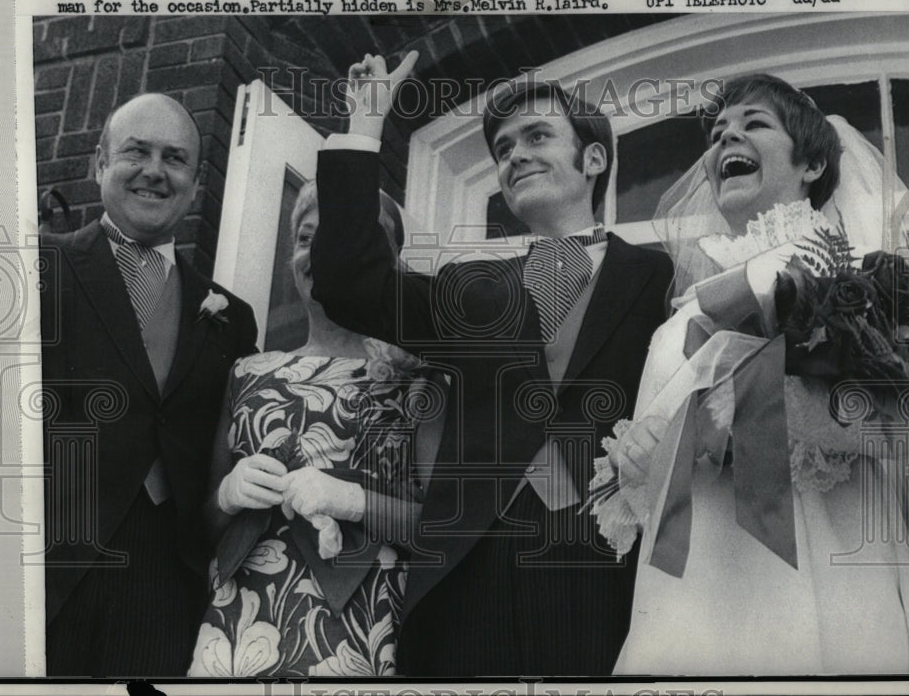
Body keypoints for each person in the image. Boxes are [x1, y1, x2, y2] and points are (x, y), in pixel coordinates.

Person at [309, 52, 673, 675]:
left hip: (605, 565)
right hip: (465, 565)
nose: (515, 156)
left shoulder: (659, 275)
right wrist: (364, 129)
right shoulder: (467, 286)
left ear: (593, 160)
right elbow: (347, 281)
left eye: (537, 137)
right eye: (503, 149)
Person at [597, 74, 909, 674]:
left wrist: (751, 409)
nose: (727, 138)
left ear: (812, 163)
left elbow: (898, 427)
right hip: (696, 591)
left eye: (753, 124)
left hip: (823, 566)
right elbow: (650, 490)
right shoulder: (679, 320)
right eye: (719, 131)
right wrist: (639, 456)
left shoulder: (852, 276)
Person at [39, 93, 258, 676]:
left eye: (174, 158)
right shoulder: (39, 266)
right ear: (99, 163)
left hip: (166, 582)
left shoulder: (231, 317)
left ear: (193, 180)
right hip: (43, 563)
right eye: (136, 152)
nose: (155, 171)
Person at [187, 182, 436, 677]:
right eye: (307, 238)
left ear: (391, 261)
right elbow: (200, 529)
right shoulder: (247, 373)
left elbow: (445, 528)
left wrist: (353, 501)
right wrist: (228, 496)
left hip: (358, 636)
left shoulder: (417, 377)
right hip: (234, 634)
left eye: (351, 238)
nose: (323, 253)